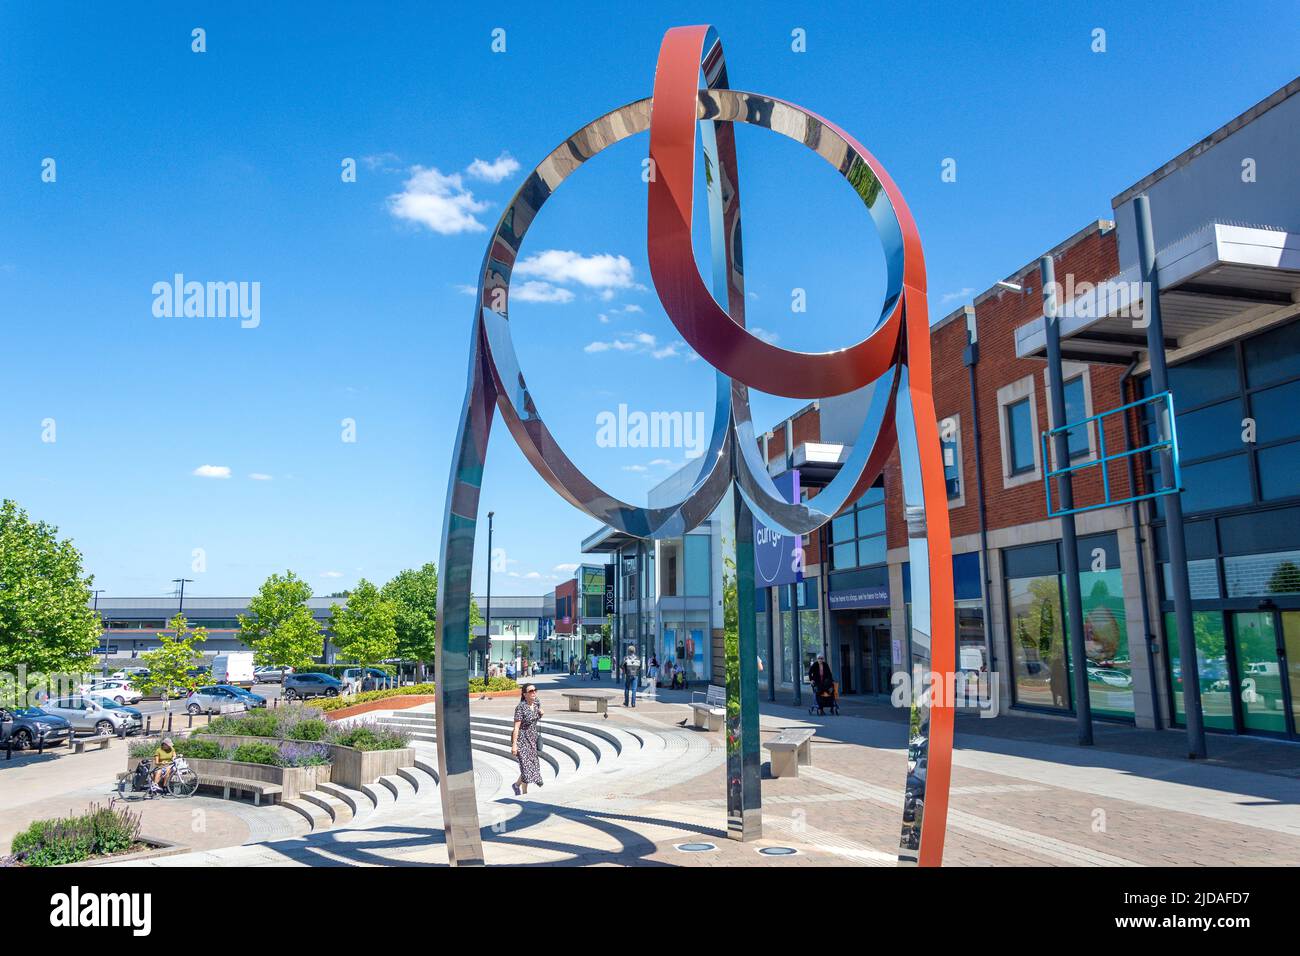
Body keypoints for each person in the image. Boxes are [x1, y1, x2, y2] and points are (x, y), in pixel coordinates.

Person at [510, 684, 544, 796]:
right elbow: (516, 727)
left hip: (532, 737)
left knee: (530, 765)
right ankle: (525, 793)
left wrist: (541, 714)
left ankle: (516, 785)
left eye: (535, 690)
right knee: (526, 766)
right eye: (531, 691)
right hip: (522, 739)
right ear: (524, 694)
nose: (534, 692)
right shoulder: (520, 707)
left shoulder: (537, 703)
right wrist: (514, 745)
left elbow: (535, 718)